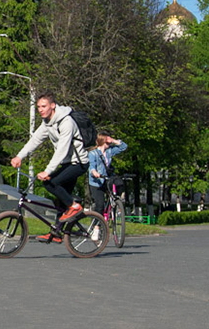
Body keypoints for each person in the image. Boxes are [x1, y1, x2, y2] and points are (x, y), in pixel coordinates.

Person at [11, 94, 90, 243]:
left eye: (44, 106)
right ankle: (57, 232)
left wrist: (47, 171)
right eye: (39, 107)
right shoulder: (48, 123)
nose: (40, 110)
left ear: (53, 106)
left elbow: (62, 150)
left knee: (50, 183)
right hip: (67, 163)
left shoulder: (66, 122)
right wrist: (19, 156)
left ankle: (74, 206)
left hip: (79, 163)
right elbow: (35, 140)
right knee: (60, 197)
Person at [87, 134, 128, 215]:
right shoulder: (93, 153)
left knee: (119, 182)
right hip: (96, 182)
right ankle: (97, 226)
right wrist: (94, 172)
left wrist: (113, 141)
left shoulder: (109, 151)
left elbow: (124, 147)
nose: (109, 144)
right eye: (108, 142)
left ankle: (118, 200)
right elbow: (91, 166)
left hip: (107, 179)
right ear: (103, 142)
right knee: (100, 205)